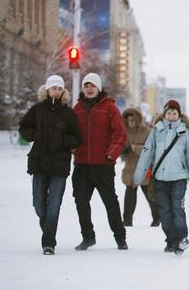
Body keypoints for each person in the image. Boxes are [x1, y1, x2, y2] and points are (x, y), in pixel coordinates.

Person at [19, 75, 82, 255]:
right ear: (47, 90)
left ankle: (48, 243)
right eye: (53, 88)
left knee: (54, 204)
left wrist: (63, 140)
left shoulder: (68, 114)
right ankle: (48, 230)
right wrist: (35, 135)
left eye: (59, 88)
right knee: (38, 204)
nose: (56, 91)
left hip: (59, 166)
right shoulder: (37, 110)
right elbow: (23, 127)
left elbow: (77, 138)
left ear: (63, 91)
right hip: (39, 163)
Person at [133, 100, 189, 255]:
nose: (172, 116)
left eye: (175, 113)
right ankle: (171, 240)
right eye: (169, 113)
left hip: (179, 179)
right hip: (160, 179)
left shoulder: (185, 133)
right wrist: (138, 175)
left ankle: (181, 239)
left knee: (177, 208)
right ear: (164, 114)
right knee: (165, 211)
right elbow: (146, 154)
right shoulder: (156, 132)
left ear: (179, 115)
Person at [72, 73, 128, 251]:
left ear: (99, 88)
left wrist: (111, 155)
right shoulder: (77, 109)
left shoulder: (110, 108)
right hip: (81, 165)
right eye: (86, 86)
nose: (89, 89)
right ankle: (88, 237)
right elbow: (69, 133)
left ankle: (120, 238)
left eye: (92, 86)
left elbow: (120, 134)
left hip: (103, 165)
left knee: (110, 202)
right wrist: (71, 147)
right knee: (81, 201)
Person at [121, 107, 159, 227]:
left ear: (138, 119)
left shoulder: (147, 131)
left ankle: (157, 218)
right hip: (130, 168)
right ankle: (127, 220)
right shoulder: (123, 131)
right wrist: (123, 150)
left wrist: (135, 148)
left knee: (150, 195)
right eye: (128, 119)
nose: (130, 122)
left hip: (145, 168)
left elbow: (152, 149)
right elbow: (118, 146)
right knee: (129, 197)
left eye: (133, 119)